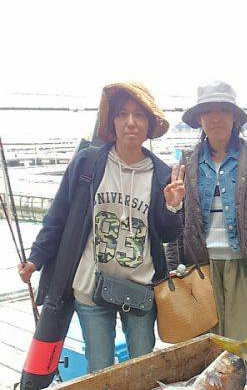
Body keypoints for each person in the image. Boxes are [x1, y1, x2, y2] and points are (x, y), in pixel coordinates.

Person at [18, 81, 184, 372]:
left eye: (139, 115)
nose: (130, 122)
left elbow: (168, 234)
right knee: (99, 369)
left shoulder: (161, 174)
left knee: (142, 368)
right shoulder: (88, 162)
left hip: (140, 286)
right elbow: (58, 215)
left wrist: (173, 206)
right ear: (111, 121)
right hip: (89, 286)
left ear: (149, 125)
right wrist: (36, 258)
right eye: (122, 114)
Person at [168, 79, 247, 340]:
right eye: (208, 111)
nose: (215, 118)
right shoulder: (188, 163)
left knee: (242, 344)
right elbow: (178, 219)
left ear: (234, 117)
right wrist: (174, 265)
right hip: (201, 267)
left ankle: (242, 382)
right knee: (206, 343)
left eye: (223, 110)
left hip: (244, 263)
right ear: (199, 119)